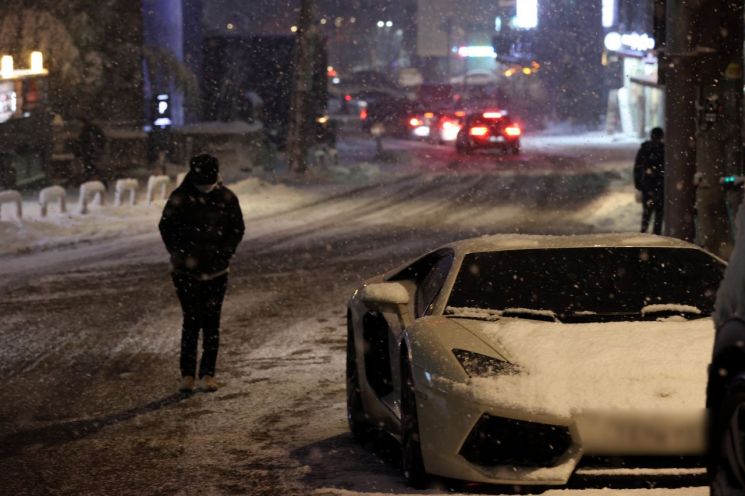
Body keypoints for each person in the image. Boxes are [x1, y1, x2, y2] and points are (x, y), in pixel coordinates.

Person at [158, 153, 245, 393]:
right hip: (186, 273)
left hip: (217, 271)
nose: (206, 188)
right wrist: (181, 255)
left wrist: (224, 254)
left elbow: (236, 228)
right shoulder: (181, 198)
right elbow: (167, 227)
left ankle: (207, 373)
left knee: (211, 321)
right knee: (192, 320)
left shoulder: (226, 198)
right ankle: (188, 374)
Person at [634, 127, 665, 234]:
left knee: (647, 214)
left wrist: (639, 185)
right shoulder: (663, 150)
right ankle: (656, 239)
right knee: (658, 216)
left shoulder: (644, 149)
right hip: (660, 188)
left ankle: (643, 236)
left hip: (647, 188)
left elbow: (637, 168)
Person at [77, 118, 107, 182]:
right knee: (91, 166)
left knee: (90, 166)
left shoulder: (87, 130)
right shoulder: (91, 129)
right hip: (90, 151)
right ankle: (94, 178)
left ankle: (92, 178)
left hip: (90, 151)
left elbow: (84, 142)